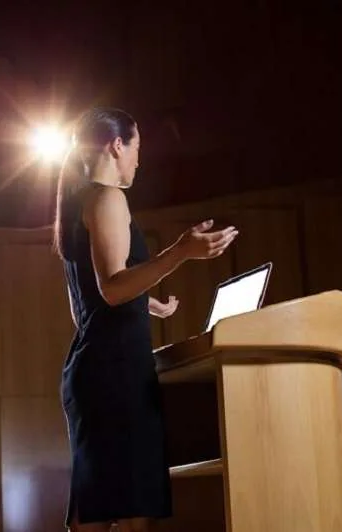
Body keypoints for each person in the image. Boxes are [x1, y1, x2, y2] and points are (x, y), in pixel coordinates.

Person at [53, 107, 238, 531]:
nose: (139, 160)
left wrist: (147, 304)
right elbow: (112, 288)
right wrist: (179, 252)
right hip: (113, 373)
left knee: (97, 506)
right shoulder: (107, 196)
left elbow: (87, 303)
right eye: (136, 148)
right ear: (116, 146)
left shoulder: (80, 202)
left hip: (93, 367)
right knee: (128, 508)